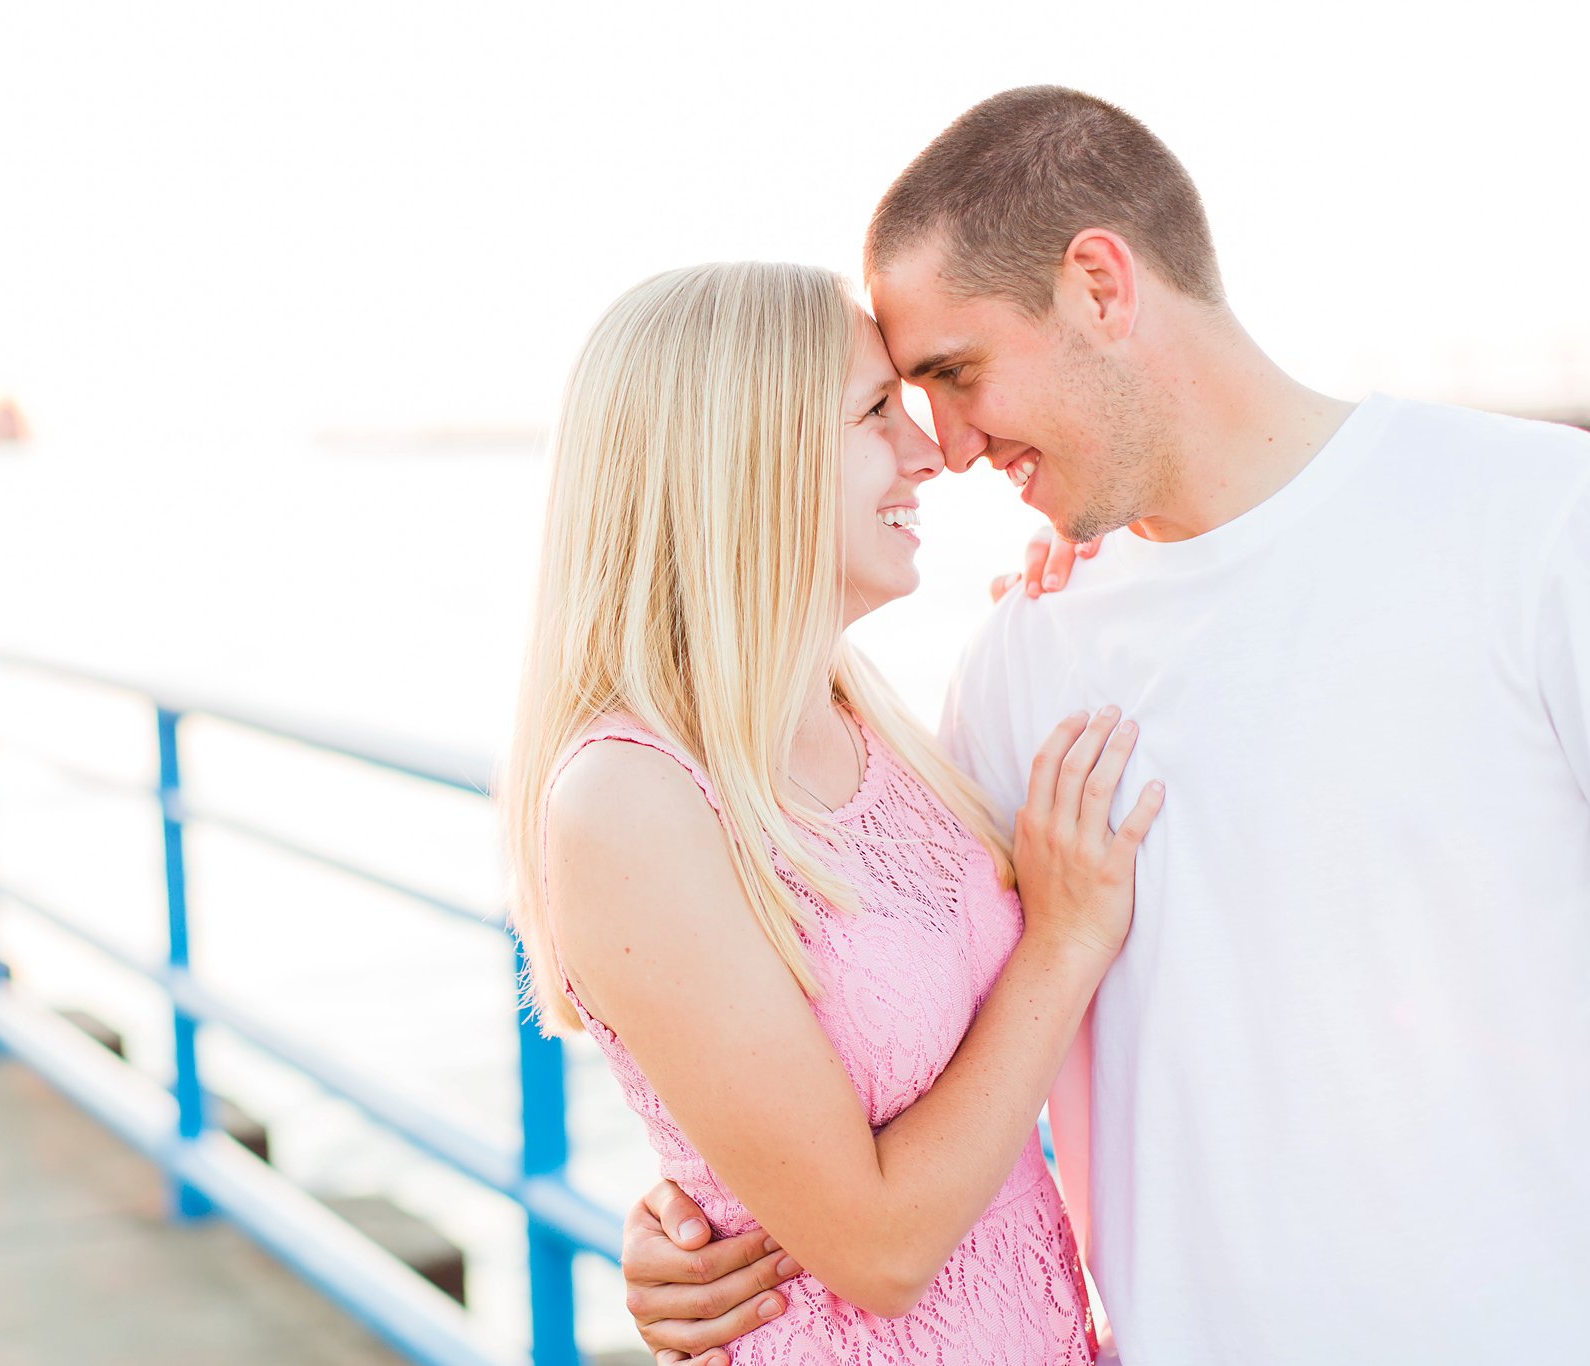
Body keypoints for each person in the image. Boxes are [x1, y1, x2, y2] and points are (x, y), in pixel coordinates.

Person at [619, 87, 1590, 1366]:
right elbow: (904, 1044)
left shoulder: (1532, 528)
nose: (948, 449)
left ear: (1097, 284)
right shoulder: (1024, 653)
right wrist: (701, 1222)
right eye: (903, 405)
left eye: (953, 376)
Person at [501, 259, 1168, 1363]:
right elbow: (878, 1250)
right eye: (873, 411)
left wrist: (1100, 582)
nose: (930, 451)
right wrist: (1063, 938)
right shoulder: (628, 798)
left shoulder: (865, 712)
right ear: (738, 459)